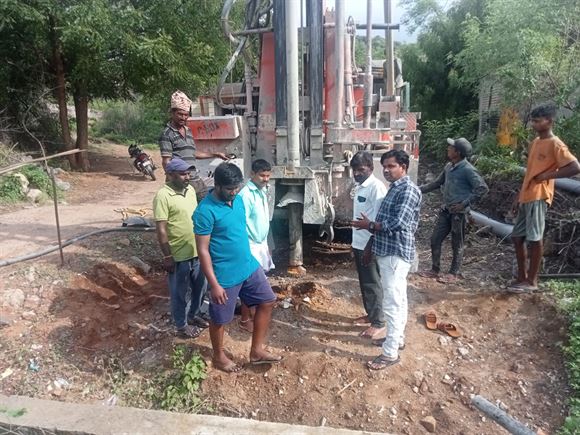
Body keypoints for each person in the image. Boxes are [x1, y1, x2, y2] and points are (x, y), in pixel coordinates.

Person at [194, 162, 281, 372]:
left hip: (248, 265)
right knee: (220, 320)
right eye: (229, 189)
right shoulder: (205, 212)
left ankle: (256, 351)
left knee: (268, 301)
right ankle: (218, 356)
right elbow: (203, 251)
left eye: (236, 188)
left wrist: (263, 247)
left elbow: (243, 231)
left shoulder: (239, 200)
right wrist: (214, 285)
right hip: (224, 274)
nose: (233, 192)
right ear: (217, 185)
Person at [352, 149, 421, 370]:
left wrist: (369, 226)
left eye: (391, 166)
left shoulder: (408, 191)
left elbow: (397, 223)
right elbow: (384, 219)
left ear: (404, 167)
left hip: (395, 253)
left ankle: (390, 354)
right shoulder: (395, 189)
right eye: (385, 166)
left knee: (393, 303)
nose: (387, 170)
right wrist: (371, 242)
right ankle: (396, 339)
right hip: (387, 251)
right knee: (398, 300)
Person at [509, 104, 579, 293]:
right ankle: (521, 277)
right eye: (533, 121)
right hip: (527, 195)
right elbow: (530, 172)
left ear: (549, 121)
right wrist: (519, 196)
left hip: (539, 196)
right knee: (517, 237)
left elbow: (574, 167)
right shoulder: (535, 143)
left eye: (537, 121)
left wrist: (546, 177)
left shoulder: (555, 144)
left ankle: (532, 281)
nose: (534, 124)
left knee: (534, 238)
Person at [418, 138, 488, 283]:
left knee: (457, 243)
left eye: (451, 148)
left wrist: (464, 204)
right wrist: (417, 190)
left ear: (458, 152)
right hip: (447, 210)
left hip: (459, 214)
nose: (447, 149)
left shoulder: (468, 170)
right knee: (435, 239)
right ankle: (435, 269)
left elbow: (482, 188)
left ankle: (454, 273)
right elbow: (437, 183)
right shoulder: (449, 166)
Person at [153, 158, 208, 339]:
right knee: (180, 292)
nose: (187, 177)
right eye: (183, 174)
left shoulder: (190, 190)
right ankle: (181, 324)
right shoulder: (163, 196)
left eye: (188, 173)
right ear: (170, 175)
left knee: (201, 286)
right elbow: (161, 228)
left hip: (196, 250)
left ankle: (194, 314)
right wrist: (167, 256)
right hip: (178, 254)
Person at [159, 90, 228, 200]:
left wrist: (215, 154)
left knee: (206, 203)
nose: (183, 118)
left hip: (194, 178)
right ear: (172, 113)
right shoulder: (167, 133)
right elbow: (166, 161)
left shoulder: (188, 131)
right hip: (180, 181)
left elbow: (193, 153)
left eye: (186, 115)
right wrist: (173, 182)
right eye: (180, 114)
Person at [349, 151, 387, 339]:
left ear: (371, 168)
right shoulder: (360, 186)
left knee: (372, 282)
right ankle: (371, 314)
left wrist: (369, 246)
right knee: (365, 282)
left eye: (361, 170)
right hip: (359, 242)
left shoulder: (376, 188)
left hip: (369, 245)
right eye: (354, 170)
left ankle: (379, 322)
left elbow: (379, 222)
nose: (356, 173)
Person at [238, 159, 275, 333]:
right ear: (252, 174)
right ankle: (245, 319)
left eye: (268, 175)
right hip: (250, 244)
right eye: (262, 175)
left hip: (261, 243)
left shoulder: (261, 190)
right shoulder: (245, 194)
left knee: (259, 282)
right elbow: (241, 222)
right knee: (250, 284)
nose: (266, 179)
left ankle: (254, 315)